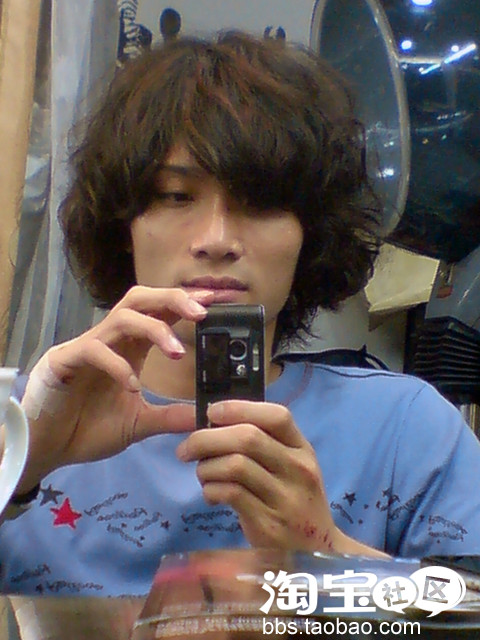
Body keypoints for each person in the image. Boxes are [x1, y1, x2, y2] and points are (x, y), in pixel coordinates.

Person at [1, 30, 479, 597]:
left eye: (261, 203)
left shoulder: (406, 430)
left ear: (310, 234)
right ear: (121, 225)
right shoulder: (21, 421)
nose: (217, 239)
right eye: (176, 196)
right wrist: (21, 466)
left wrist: (327, 553)